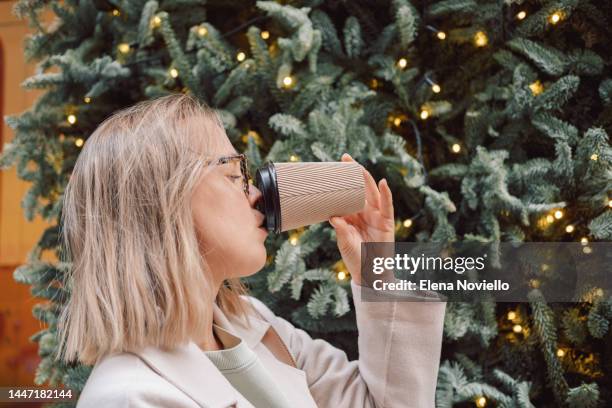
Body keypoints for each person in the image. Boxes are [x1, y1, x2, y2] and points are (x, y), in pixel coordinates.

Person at [56, 93, 446, 407]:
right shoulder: (131, 397)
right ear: (161, 202)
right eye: (232, 173)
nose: (257, 193)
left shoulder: (257, 326)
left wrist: (377, 268)